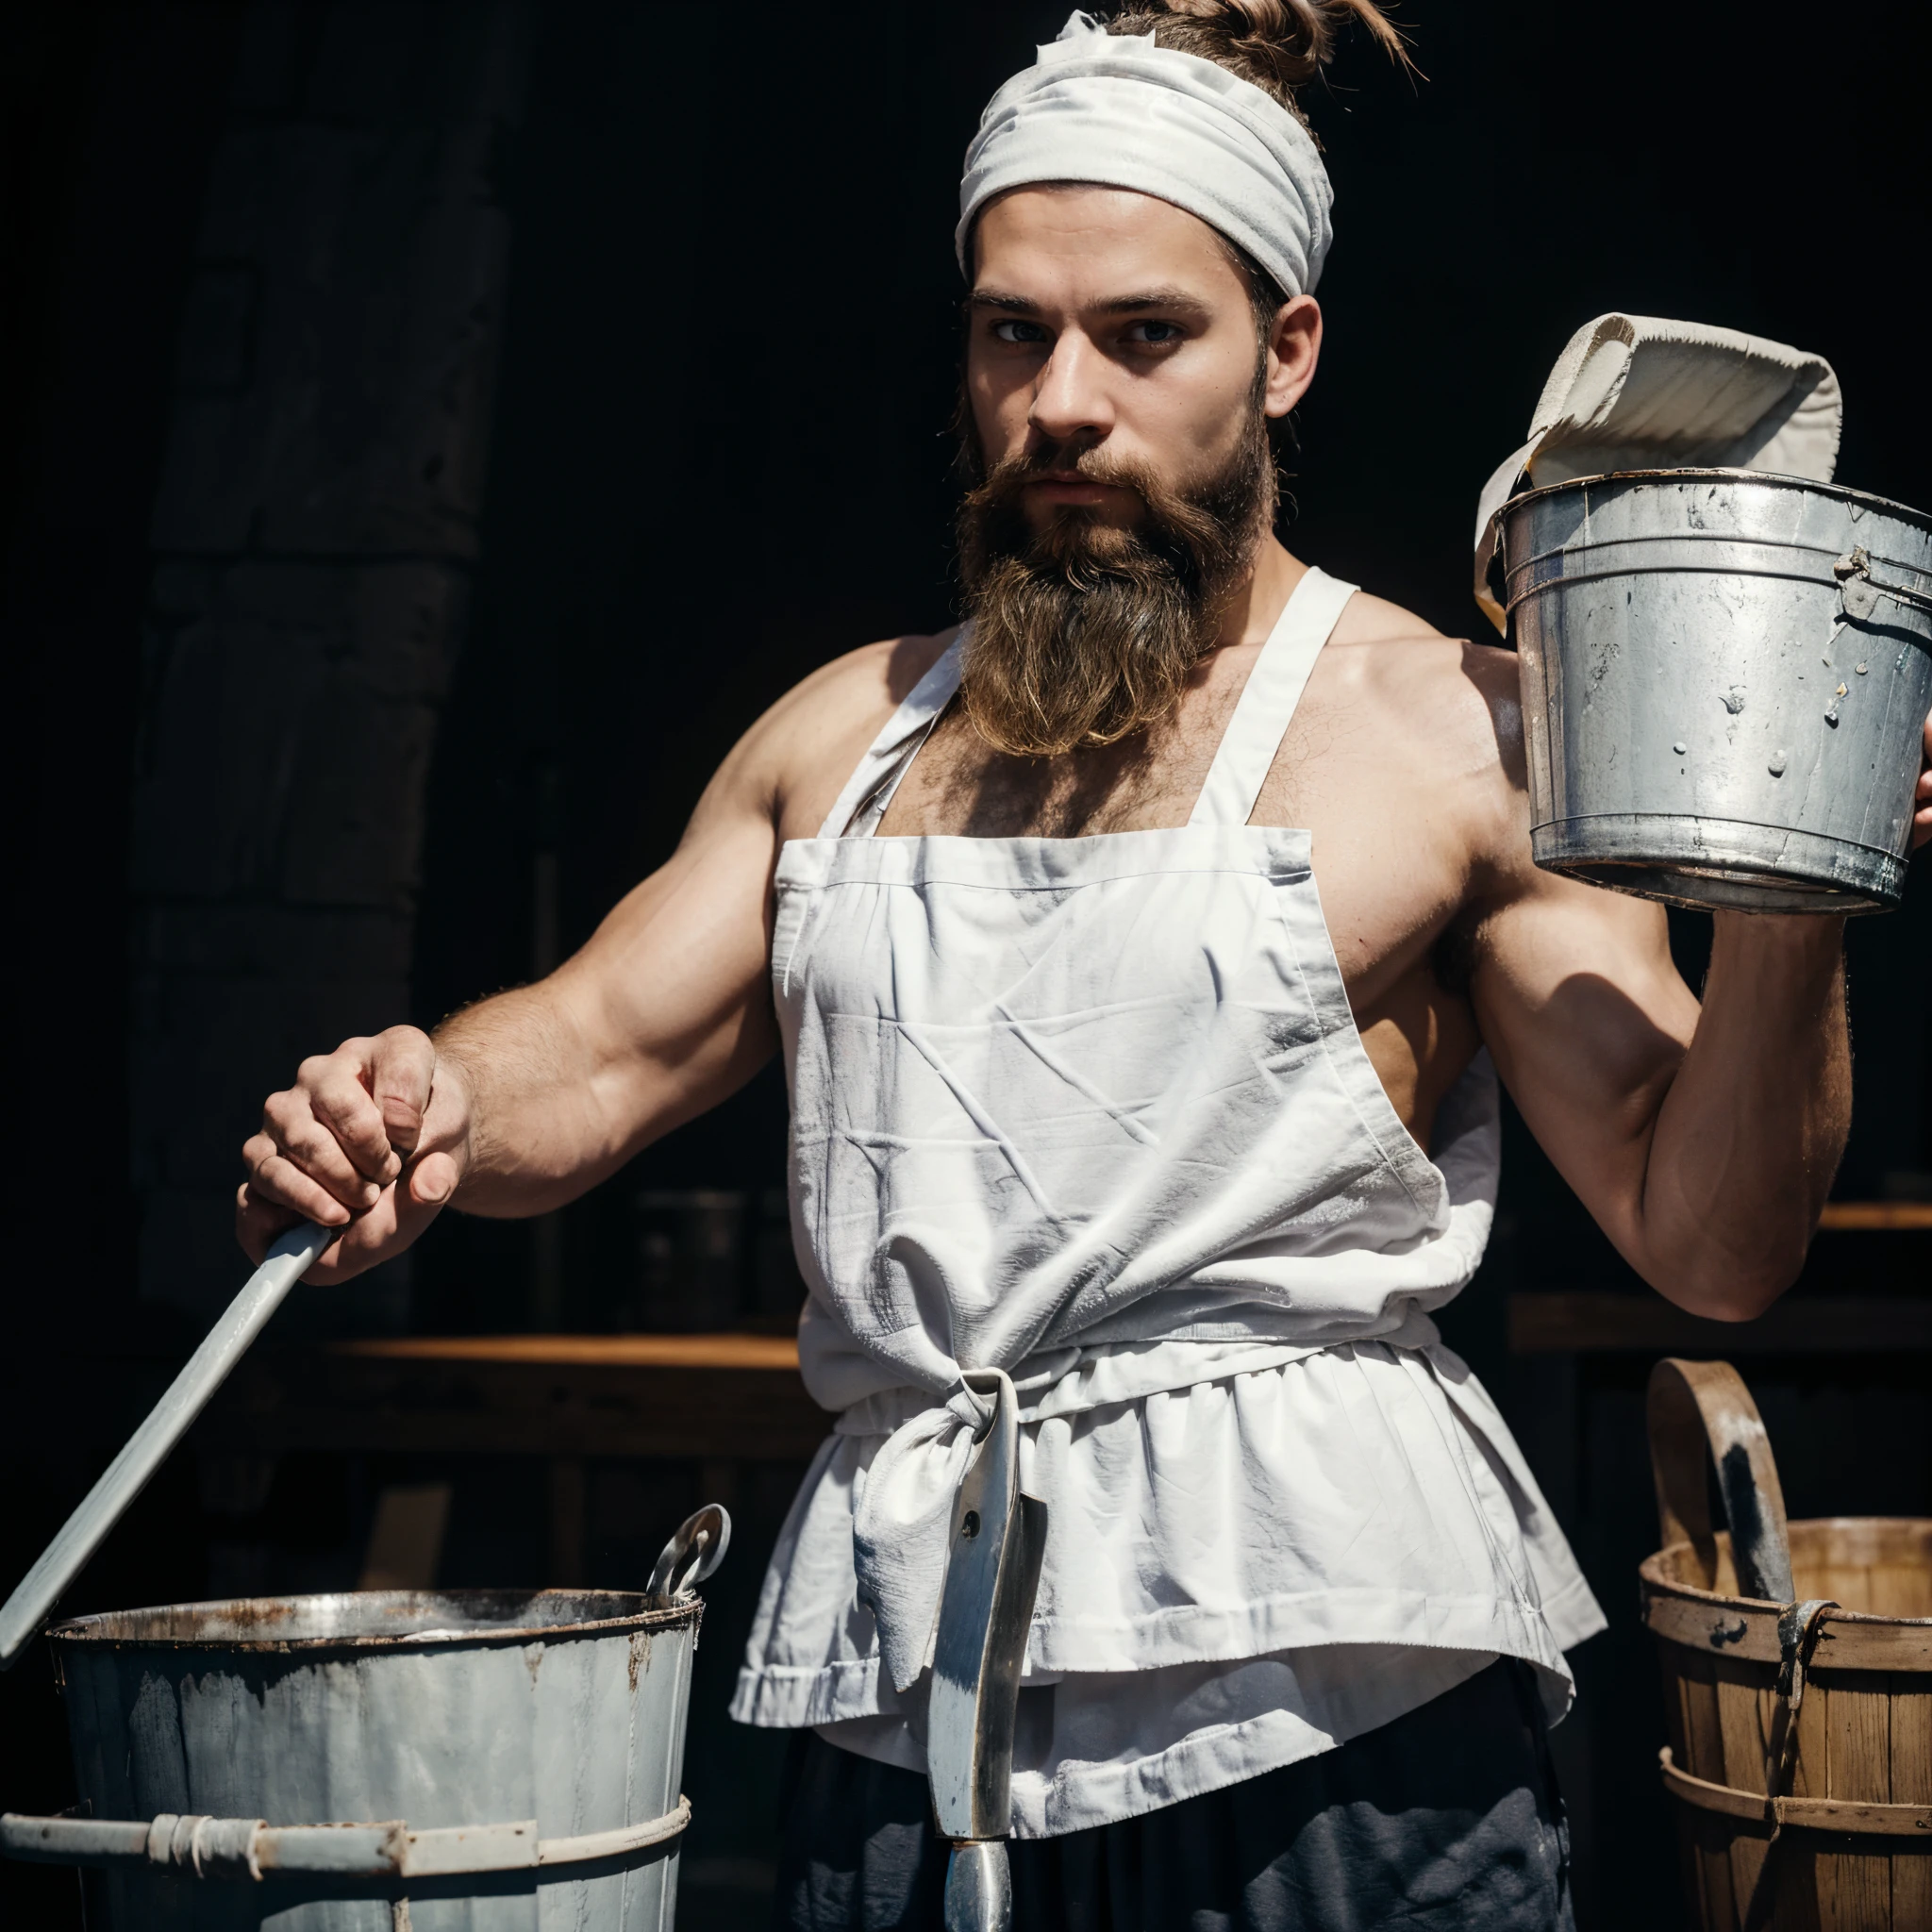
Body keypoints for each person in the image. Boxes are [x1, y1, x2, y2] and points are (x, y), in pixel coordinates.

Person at [237, 4, 1931, 1926]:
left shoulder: (1460, 736)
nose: (1061, 402)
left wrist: (1800, 888)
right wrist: (421, 1100)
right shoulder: (838, 741)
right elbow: (593, 1049)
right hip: (908, 1703)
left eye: (1143, 335)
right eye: (1009, 332)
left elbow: (1714, 1241)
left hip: (1334, 1718)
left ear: (1283, 350)